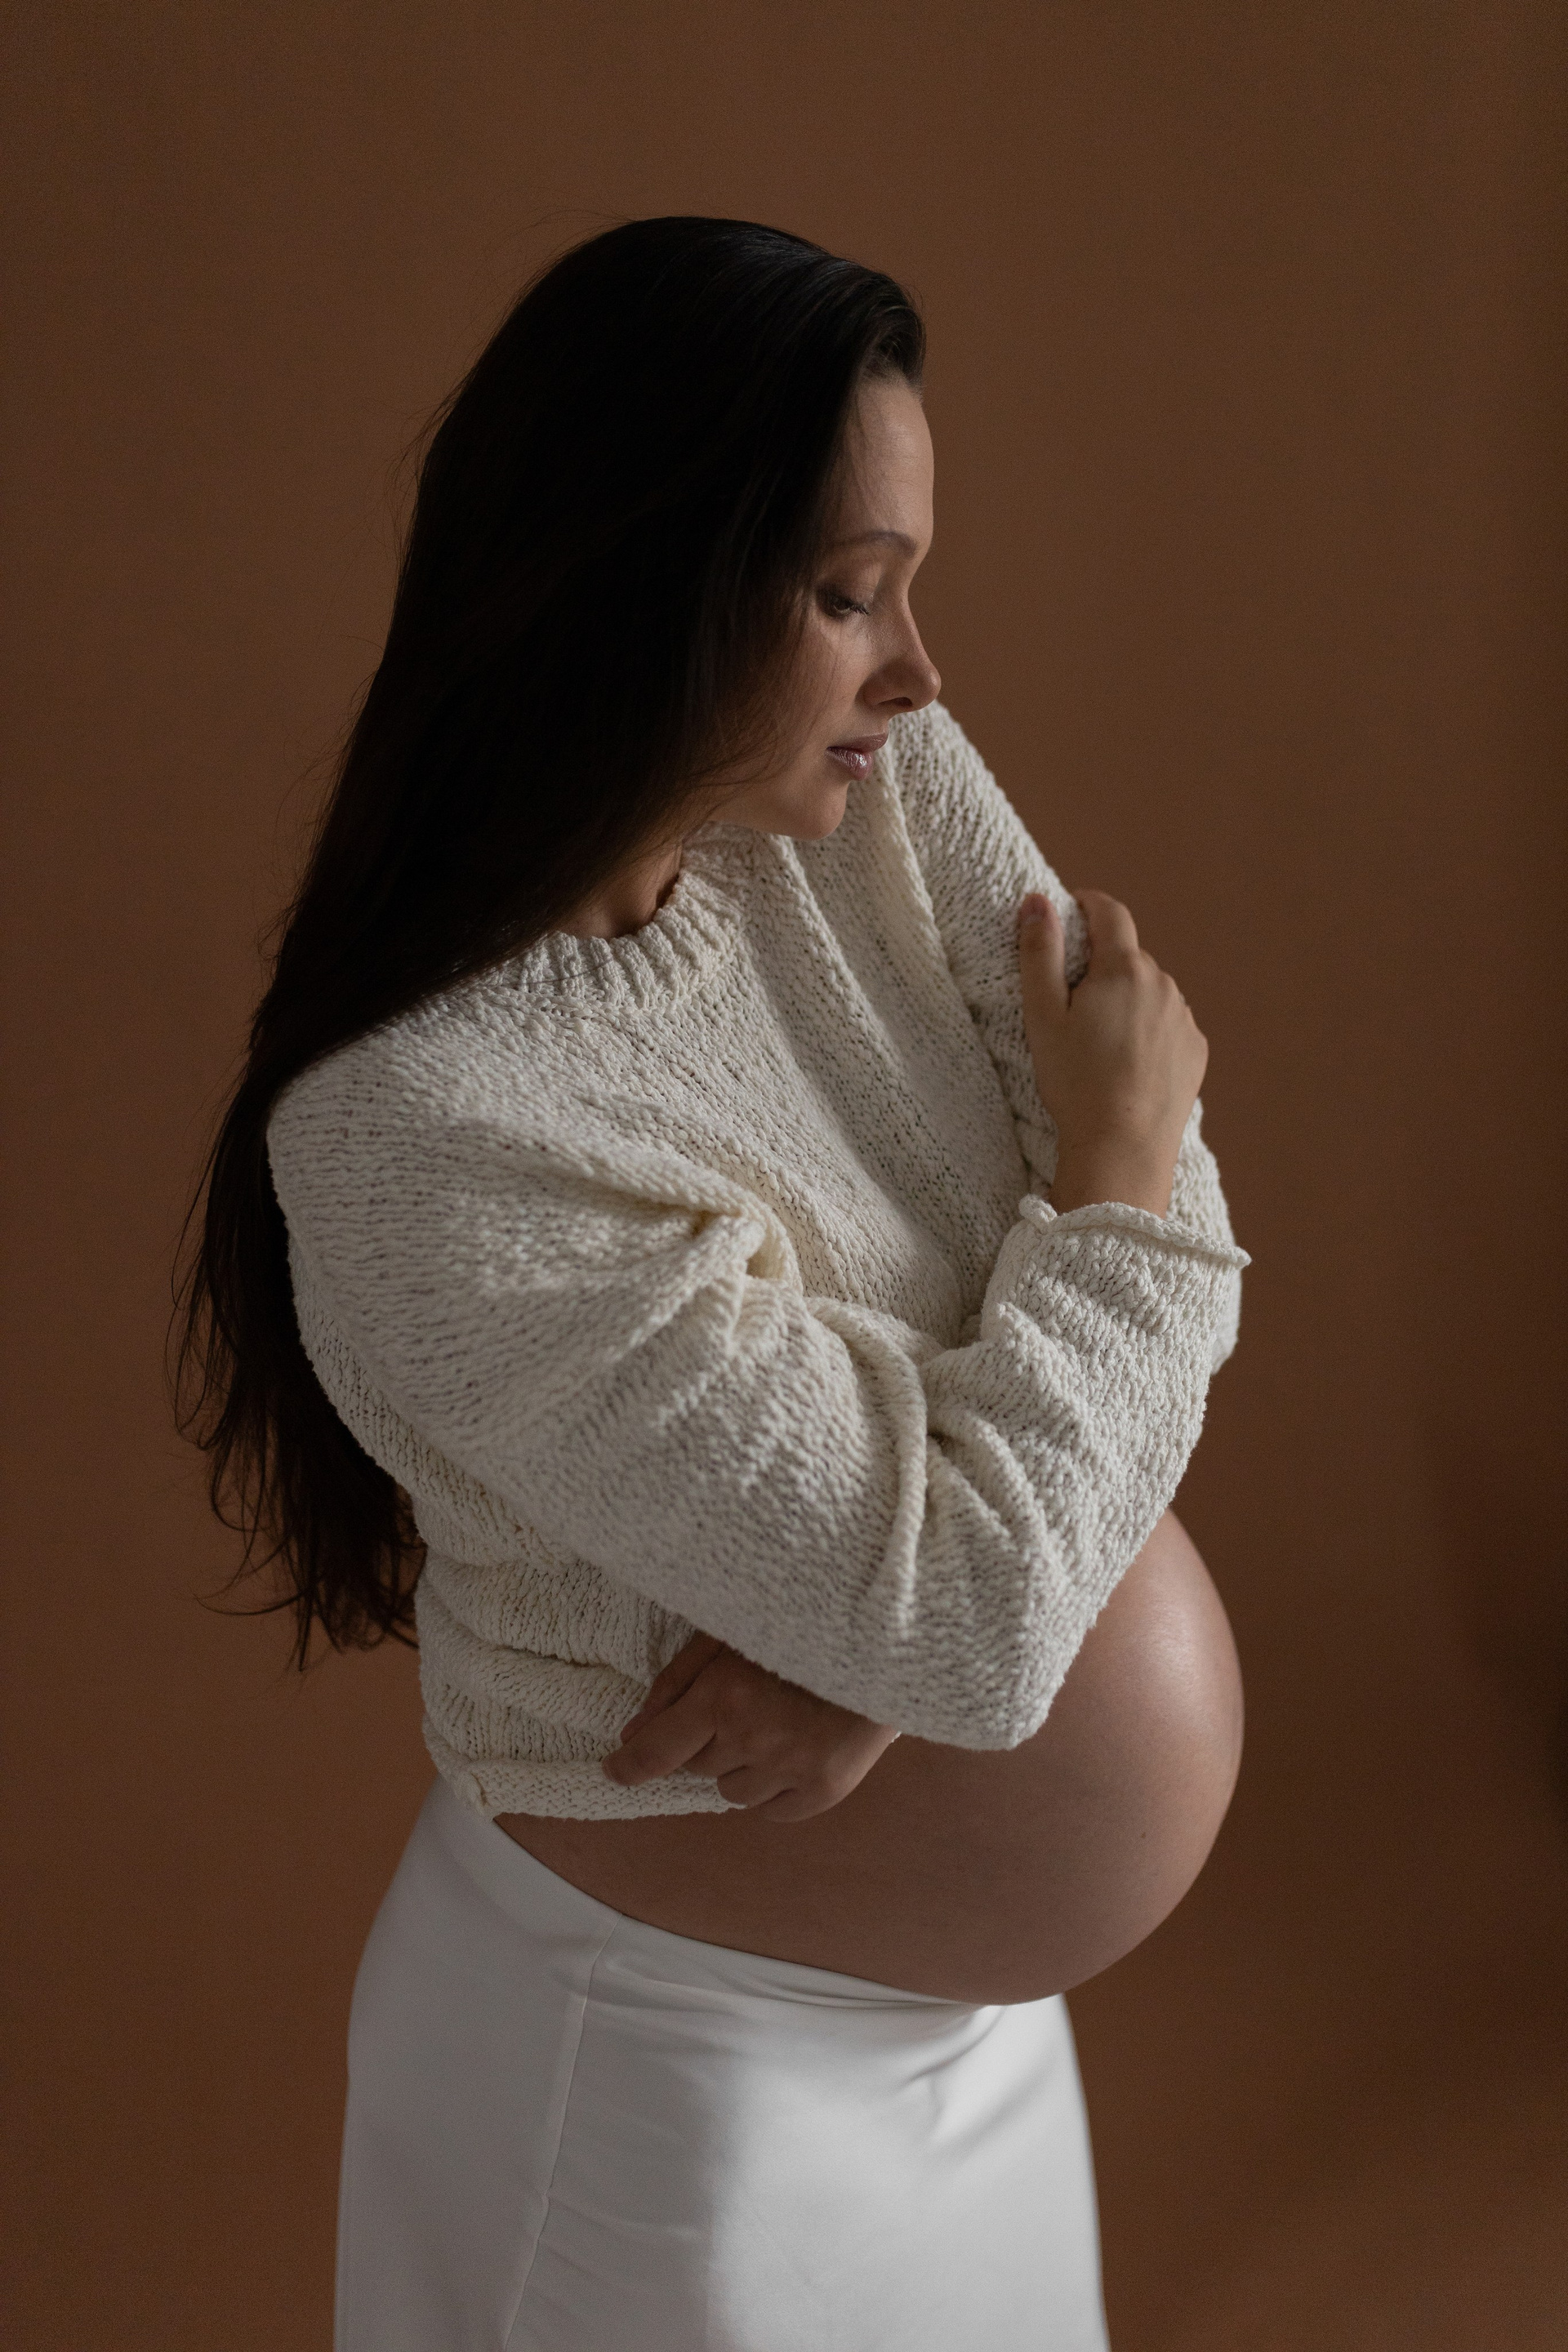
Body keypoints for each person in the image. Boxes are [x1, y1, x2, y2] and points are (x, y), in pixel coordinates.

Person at [177, 215, 1250, 2351]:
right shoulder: (434, 1139)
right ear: (637, 584)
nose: (917, 669)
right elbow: (1124, 1195)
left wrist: (891, 1663)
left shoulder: (862, 798)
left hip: (969, 2038)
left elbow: (1168, 1191)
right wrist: (951, 1605)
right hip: (675, 2074)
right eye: (850, 594)